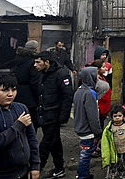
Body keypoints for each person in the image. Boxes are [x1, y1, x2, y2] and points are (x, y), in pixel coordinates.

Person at [0, 74, 40, 179]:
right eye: (5, 90)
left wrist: (35, 165)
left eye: (13, 90)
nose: (10, 94)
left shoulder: (21, 108)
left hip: (23, 172)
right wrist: (18, 126)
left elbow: (32, 138)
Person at [34, 51, 73, 179]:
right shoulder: (43, 74)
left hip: (54, 115)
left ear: (47, 62)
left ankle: (36, 170)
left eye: (38, 62)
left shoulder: (61, 74)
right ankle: (59, 168)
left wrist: (63, 116)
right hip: (45, 114)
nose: (35, 65)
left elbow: (67, 96)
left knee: (45, 144)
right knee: (54, 143)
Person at [73, 67, 102, 179]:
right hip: (88, 131)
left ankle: (84, 174)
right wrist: (98, 132)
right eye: (97, 75)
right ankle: (83, 176)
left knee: (84, 155)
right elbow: (93, 117)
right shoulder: (90, 93)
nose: (98, 78)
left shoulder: (79, 91)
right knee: (85, 156)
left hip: (80, 127)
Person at [101, 106, 125, 178]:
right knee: (113, 170)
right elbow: (105, 145)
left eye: (120, 116)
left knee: (124, 168)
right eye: (115, 116)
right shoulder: (108, 129)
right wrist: (106, 158)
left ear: (123, 116)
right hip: (114, 153)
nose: (117, 118)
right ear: (111, 117)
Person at [13, 40, 42, 130]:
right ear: (36, 48)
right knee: (32, 121)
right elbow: (34, 82)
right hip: (30, 95)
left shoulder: (19, 59)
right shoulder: (33, 62)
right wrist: (39, 98)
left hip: (19, 92)